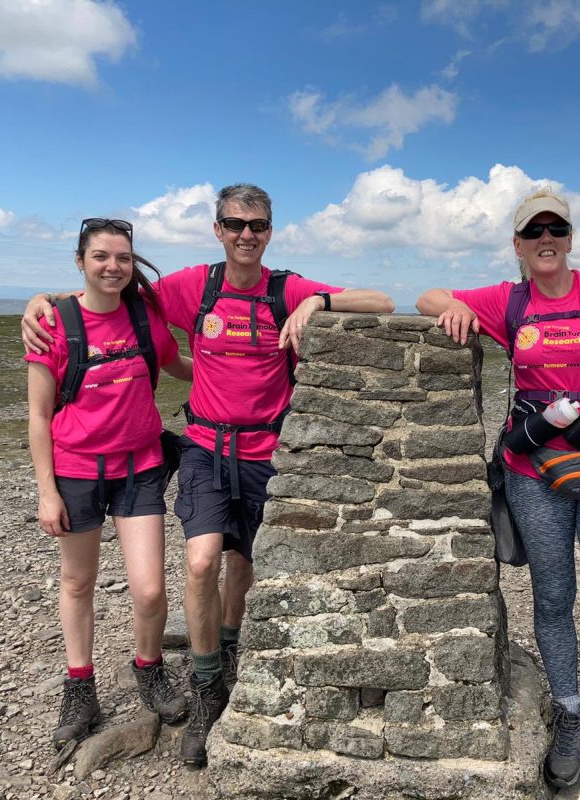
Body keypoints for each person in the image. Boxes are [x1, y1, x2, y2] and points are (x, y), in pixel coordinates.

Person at [22, 185, 394, 767]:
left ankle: (223, 652)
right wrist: (41, 301)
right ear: (217, 229)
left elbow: (382, 303)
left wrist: (317, 303)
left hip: (268, 451)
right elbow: (111, 291)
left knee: (243, 564)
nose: (247, 235)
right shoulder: (193, 286)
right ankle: (203, 688)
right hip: (203, 448)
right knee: (200, 562)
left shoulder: (285, 288)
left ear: (270, 231)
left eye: (258, 225)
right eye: (234, 224)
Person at [417, 188, 580, 788]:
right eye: (533, 232)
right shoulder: (509, 299)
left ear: (571, 237)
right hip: (535, 476)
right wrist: (455, 309)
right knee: (552, 600)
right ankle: (569, 713)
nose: (546, 240)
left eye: (557, 229)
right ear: (518, 245)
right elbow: (427, 295)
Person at [27, 218, 194, 750]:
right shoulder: (54, 322)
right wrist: (46, 491)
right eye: (101, 256)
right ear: (81, 261)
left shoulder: (146, 318)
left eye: (122, 257)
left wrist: (241, 366)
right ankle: (81, 686)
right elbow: (36, 415)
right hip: (75, 470)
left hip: (140, 467)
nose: (113, 267)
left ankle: (149, 666)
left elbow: (177, 367)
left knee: (149, 588)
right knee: (77, 583)